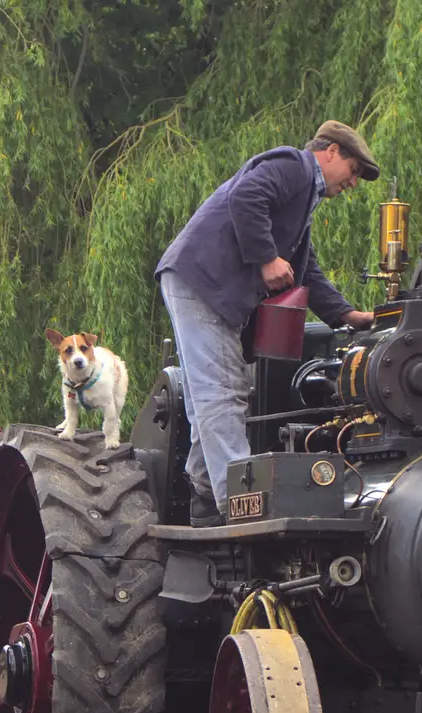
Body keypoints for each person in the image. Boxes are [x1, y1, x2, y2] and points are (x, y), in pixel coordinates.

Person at [154, 120, 381, 526]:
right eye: (354, 171)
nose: (355, 183)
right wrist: (265, 258)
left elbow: (304, 269)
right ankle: (240, 503)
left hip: (201, 282)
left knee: (214, 392)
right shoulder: (293, 165)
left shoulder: (303, 201)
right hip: (204, 280)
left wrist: (344, 314)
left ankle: (206, 497)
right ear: (330, 152)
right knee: (222, 389)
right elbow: (246, 196)